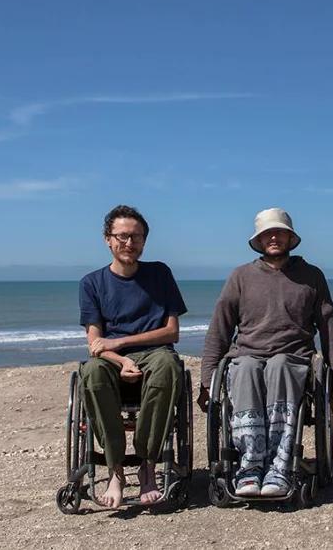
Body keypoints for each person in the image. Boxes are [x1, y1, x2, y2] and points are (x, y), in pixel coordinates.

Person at [198, 207, 333, 498]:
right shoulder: (240, 277)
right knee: (244, 368)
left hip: (293, 357)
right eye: (268, 233)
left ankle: (280, 466)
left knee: (279, 365)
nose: (274, 237)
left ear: (290, 237)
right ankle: (250, 466)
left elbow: (330, 331)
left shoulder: (311, 276)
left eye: (279, 232)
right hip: (248, 355)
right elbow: (219, 330)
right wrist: (207, 382)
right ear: (259, 239)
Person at [79, 205, 187, 507]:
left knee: (167, 364)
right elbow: (95, 344)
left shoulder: (159, 274)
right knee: (92, 372)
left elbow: (172, 332)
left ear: (144, 241)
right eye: (122, 236)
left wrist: (123, 341)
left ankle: (147, 465)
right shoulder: (92, 283)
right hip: (113, 362)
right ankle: (115, 471)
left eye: (136, 237)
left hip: (155, 355)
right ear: (107, 239)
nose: (129, 243)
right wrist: (123, 359)